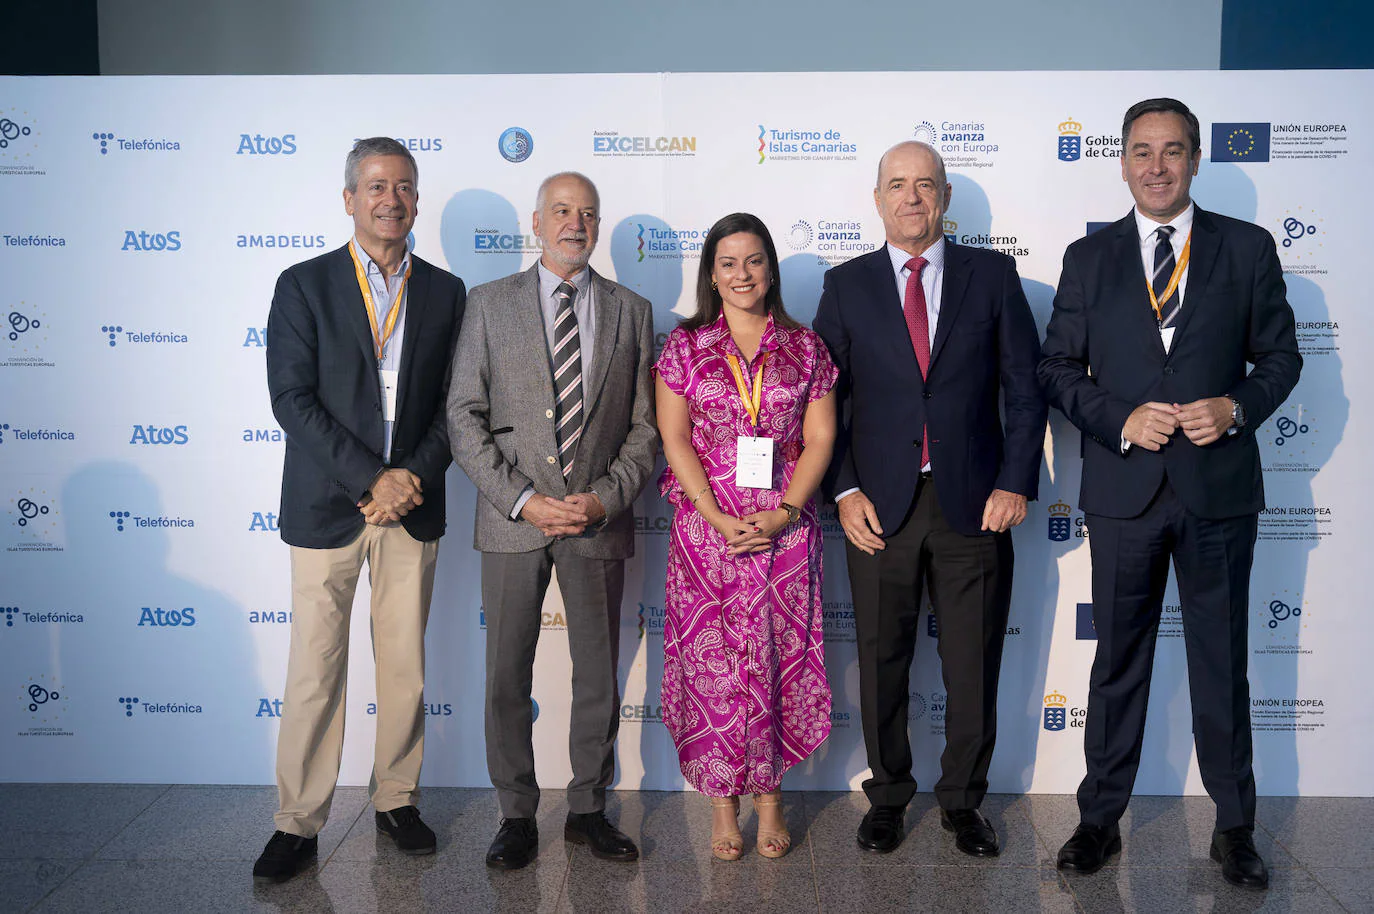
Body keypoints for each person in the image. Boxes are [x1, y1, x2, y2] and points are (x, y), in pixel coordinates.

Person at [1040, 98, 1300, 890]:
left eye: (1173, 151)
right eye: (1142, 151)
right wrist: (1121, 420)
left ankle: (1234, 829)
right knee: (1118, 663)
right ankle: (1097, 821)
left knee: (1222, 664)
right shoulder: (1090, 259)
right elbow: (1056, 370)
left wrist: (1238, 408)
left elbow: (1282, 359)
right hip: (1125, 493)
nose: (1157, 166)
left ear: (1194, 161)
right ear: (1121, 161)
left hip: (1217, 490)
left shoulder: (1247, 249)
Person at [813, 141, 1046, 858]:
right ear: (877, 199)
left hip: (974, 506)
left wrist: (1015, 480)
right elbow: (825, 403)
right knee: (881, 656)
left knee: (972, 662)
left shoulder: (995, 276)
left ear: (943, 197)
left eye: (924, 185)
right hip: (877, 507)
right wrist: (843, 488)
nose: (911, 197)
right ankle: (887, 796)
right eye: (896, 185)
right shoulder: (847, 285)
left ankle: (963, 803)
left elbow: (1024, 388)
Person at [253, 137, 466, 884]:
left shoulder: (445, 291)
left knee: (404, 665)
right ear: (350, 198)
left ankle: (396, 801)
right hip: (329, 509)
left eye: (404, 186)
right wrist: (370, 479)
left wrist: (407, 478)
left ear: (416, 197)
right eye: (376, 186)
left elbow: (455, 405)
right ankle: (298, 821)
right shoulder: (303, 284)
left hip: (411, 507)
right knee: (315, 669)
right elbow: (291, 400)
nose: (391, 199)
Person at [448, 171, 658, 870]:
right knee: (507, 671)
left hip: (595, 519)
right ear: (536, 222)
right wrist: (521, 499)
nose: (576, 223)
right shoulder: (488, 304)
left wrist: (603, 497)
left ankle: (588, 810)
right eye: (562, 211)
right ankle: (515, 815)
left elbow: (645, 429)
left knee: (597, 674)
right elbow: (462, 416)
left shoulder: (633, 310)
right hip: (513, 521)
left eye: (588, 213)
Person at [655, 213, 837, 861]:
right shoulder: (684, 348)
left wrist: (786, 512)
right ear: (711, 272)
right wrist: (712, 513)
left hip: (784, 533)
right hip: (708, 534)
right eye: (729, 263)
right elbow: (673, 437)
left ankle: (770, 800)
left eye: (754, 261)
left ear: (771, 269)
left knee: (778, 659)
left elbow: (820, 438)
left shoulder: (805, 348)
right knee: (715, 666)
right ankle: (722, 807)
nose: (742, 274)